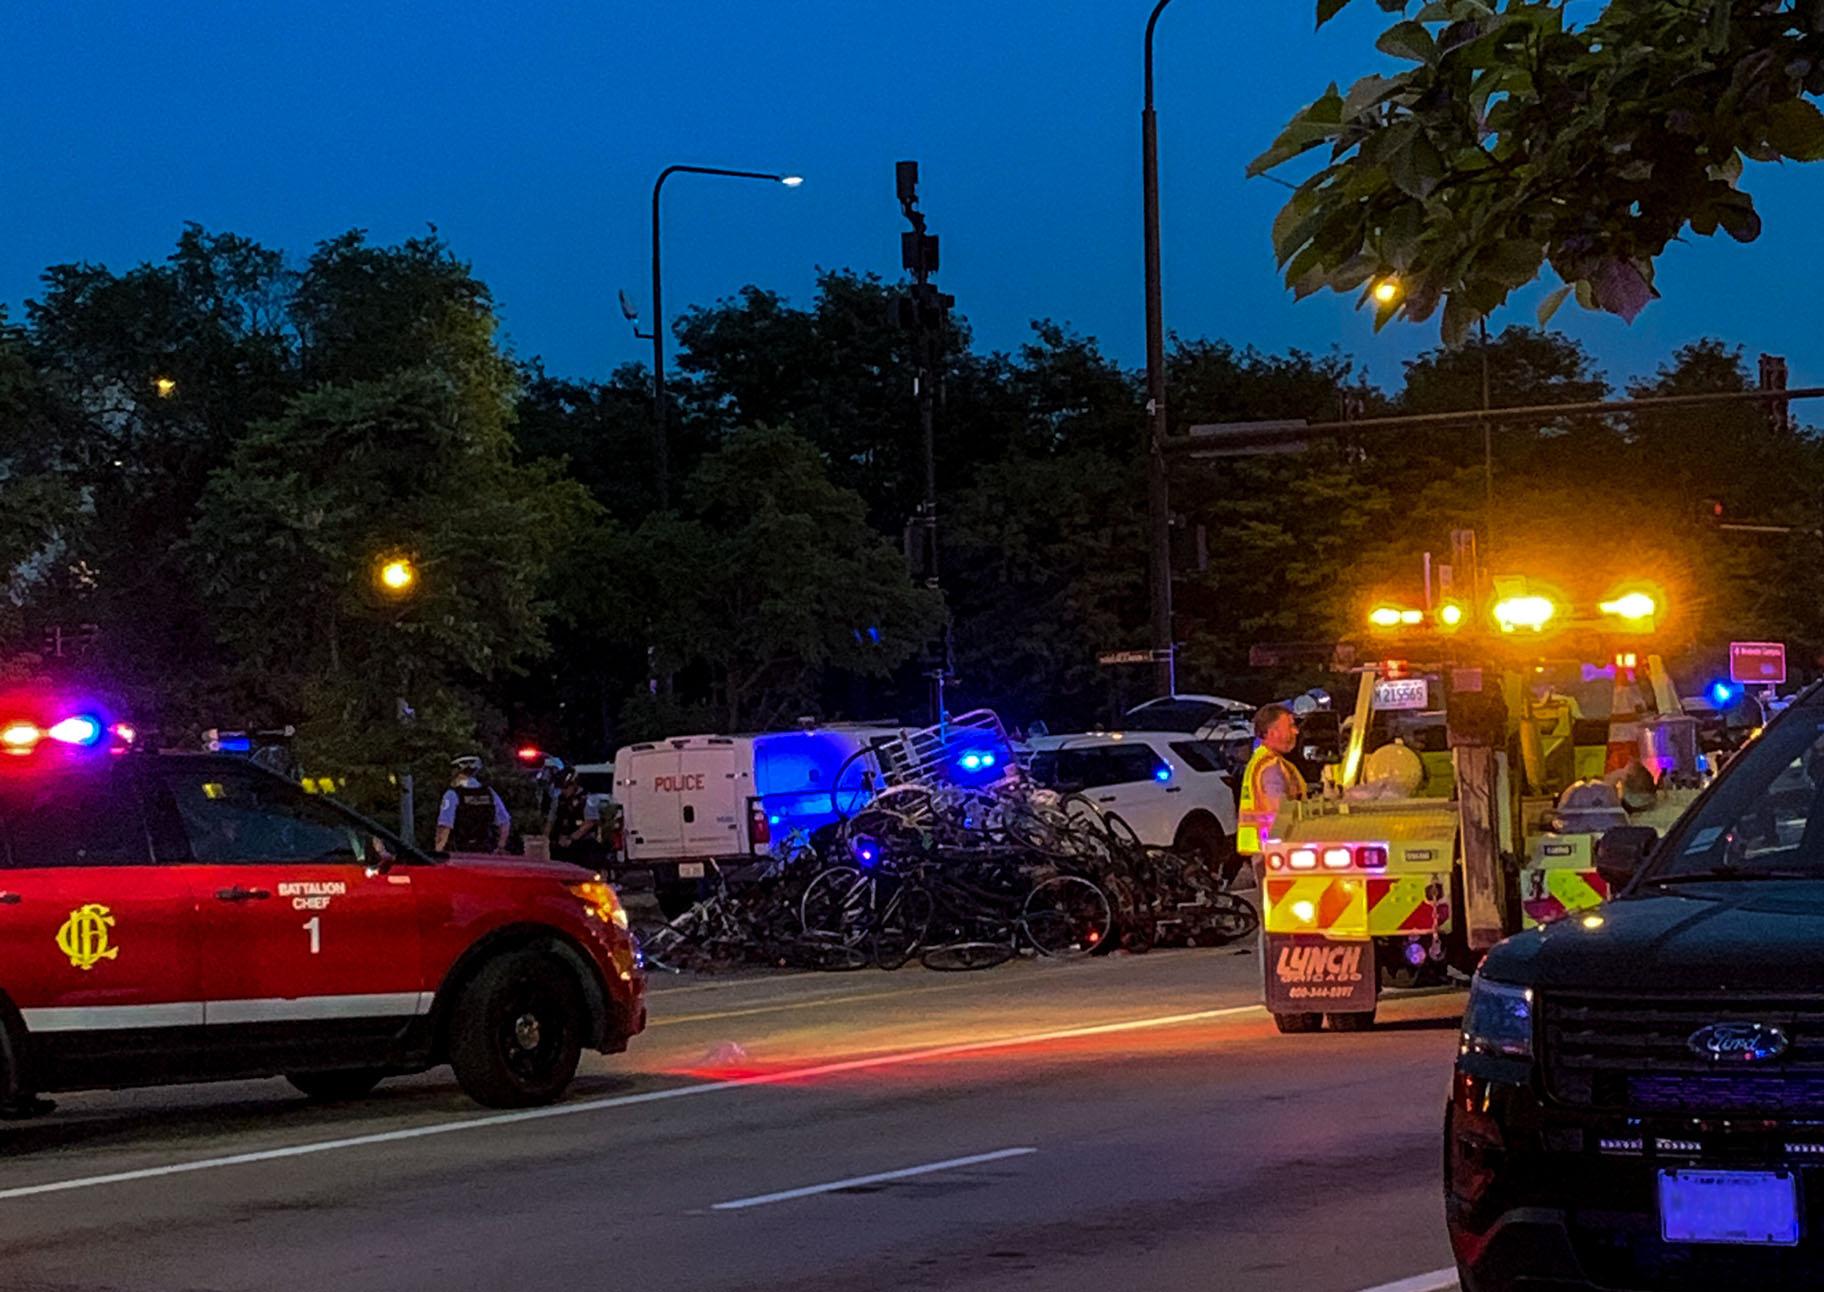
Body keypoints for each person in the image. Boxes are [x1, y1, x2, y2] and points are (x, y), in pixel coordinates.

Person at [1237, 703, 1309, 857]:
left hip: (1265, 848)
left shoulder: (1261, 761)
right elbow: (1281, 811)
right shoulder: (1271, 766)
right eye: (1290, 726)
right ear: (1272, 732)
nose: (1296, 731)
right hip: (1275, 849)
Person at [435, 756, 510, 853]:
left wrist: (438, 850)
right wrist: (500, 846)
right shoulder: (489, 792)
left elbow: (445, 826)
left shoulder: (452, 794)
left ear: (457, 771)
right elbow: (504, 821)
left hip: (459, 851)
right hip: (485, 850)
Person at [546, 769, 602, 864]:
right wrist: (545, 837)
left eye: (566, 787)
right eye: (561, 788)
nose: (564, 791)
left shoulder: (588, 799)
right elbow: (551, 820)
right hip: (561, 843)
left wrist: (571, 838)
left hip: (582, 844)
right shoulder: (558, 800)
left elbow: (590, 823)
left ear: (575, 784)